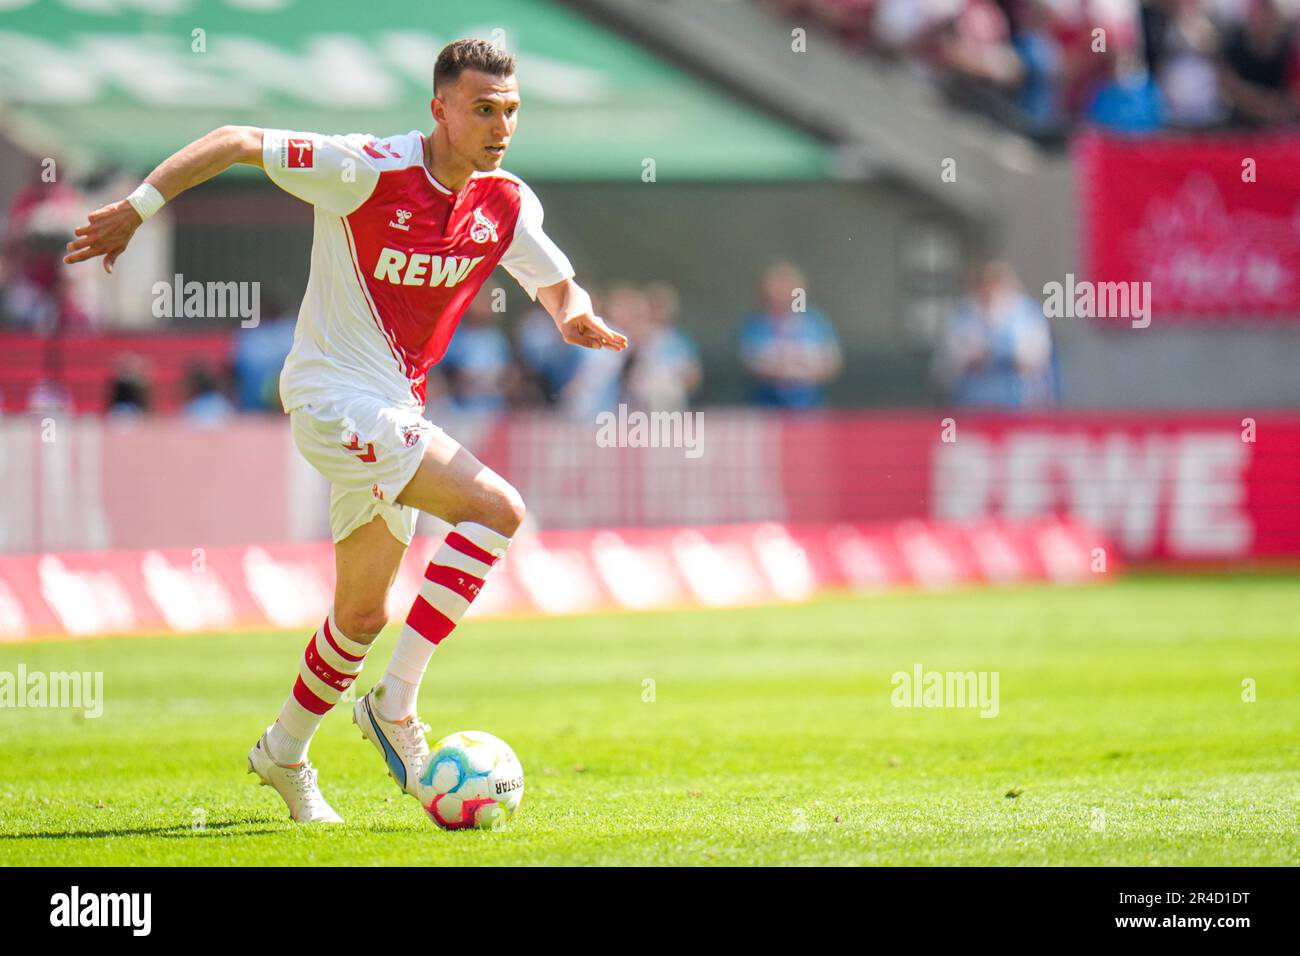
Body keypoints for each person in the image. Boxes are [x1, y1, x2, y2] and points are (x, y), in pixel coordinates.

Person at [64, 39, 629, 823]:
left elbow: (555, 282)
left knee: (362, 615)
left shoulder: (505, 202)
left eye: (510, 111)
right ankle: (395, 706)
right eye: (482, 108)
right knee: (497, 509)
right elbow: (235, 141)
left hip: (396, 408)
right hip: (334, 396)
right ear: (439, 109)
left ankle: (284, 754)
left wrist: (576, 317)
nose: (500, 126)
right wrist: (138, 208)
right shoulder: (366, 170)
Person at [933, 260, 1055, 408]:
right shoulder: (964, 313)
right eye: (987, 285)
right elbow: (950, 360)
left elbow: (1038, 357)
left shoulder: (1026, 312)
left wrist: (1007, 355)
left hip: (1017, 400)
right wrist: (977, 357)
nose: (991, 291)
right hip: (972, 400)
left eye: (997, 285)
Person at [740, 261, 841, 409]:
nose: (781, 291)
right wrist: (779, 371)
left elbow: (831, 362)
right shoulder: (756, 325)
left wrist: (803, 373)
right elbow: (750, 362)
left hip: (809, 409)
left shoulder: (815, 322)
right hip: (767, 408)